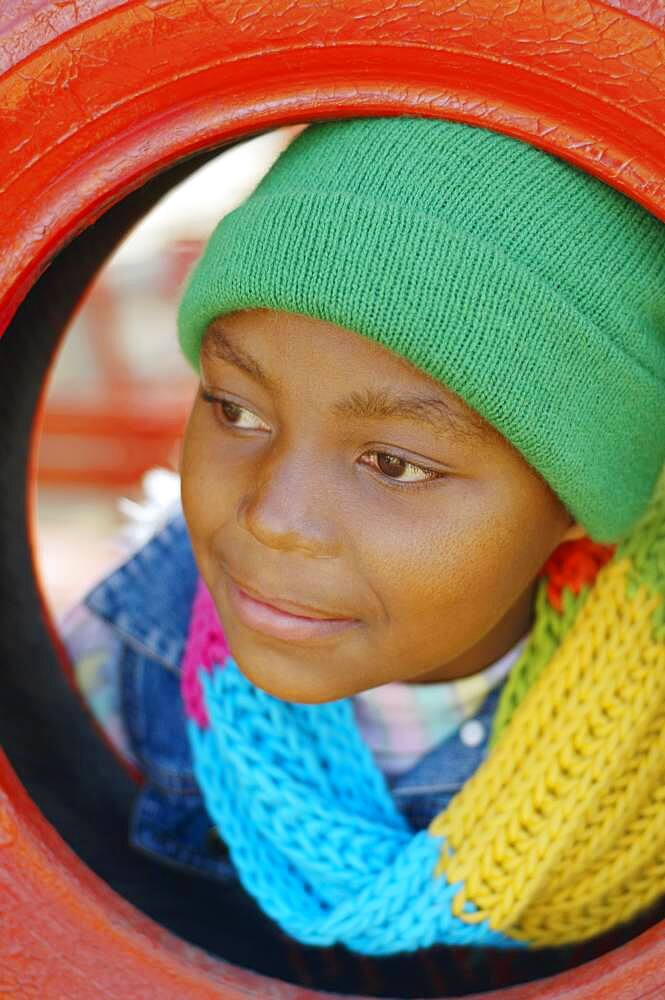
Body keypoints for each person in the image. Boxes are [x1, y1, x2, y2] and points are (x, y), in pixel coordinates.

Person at [59, 115, 665, 995]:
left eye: (392, 464)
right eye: (235, 410)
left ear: (574, 503)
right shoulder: (128, 651)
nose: (275, 518)